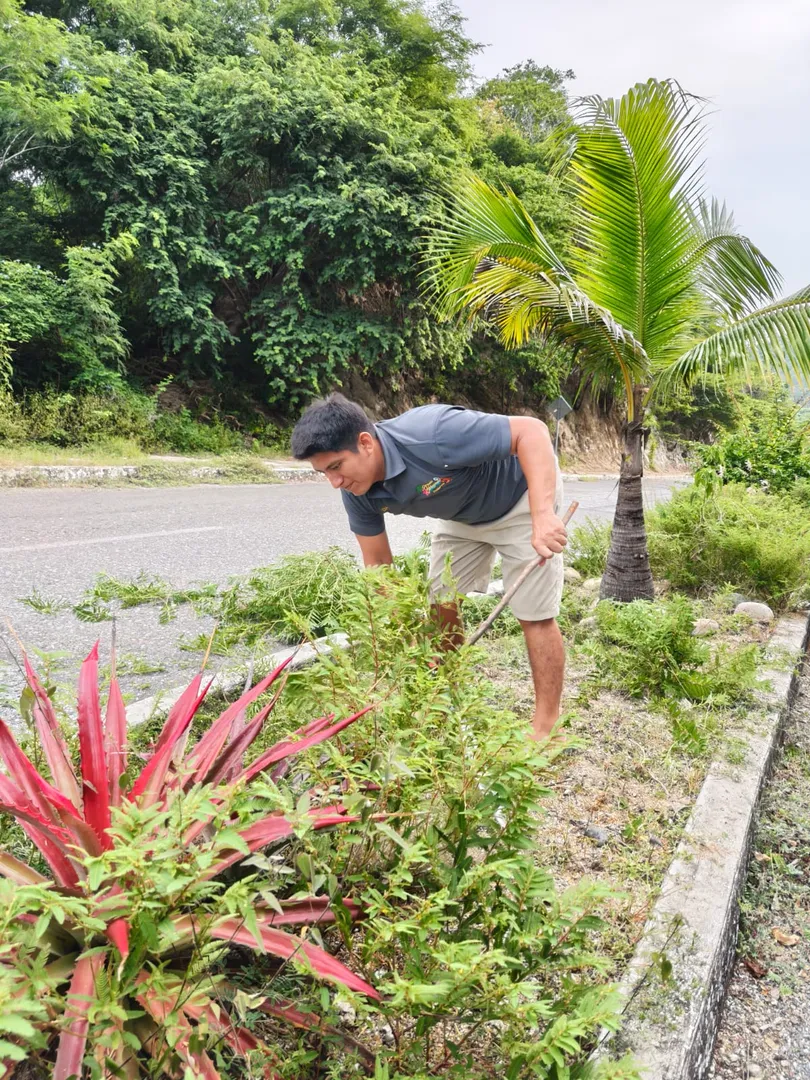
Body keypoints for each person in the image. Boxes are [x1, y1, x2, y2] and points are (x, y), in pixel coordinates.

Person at [290, 394, 568, 739]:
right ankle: (448, 701)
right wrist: (398, 629)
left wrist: (543, 515)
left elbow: (532, 432)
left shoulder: (433, 432)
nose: (334, 482)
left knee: (534, 614)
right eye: (323, 473)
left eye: (336, 467)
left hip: (520, 498)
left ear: (365, 443)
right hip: (462, 518)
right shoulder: (356, 491)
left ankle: (547, 726)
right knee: (441, 607)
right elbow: (377, 565)